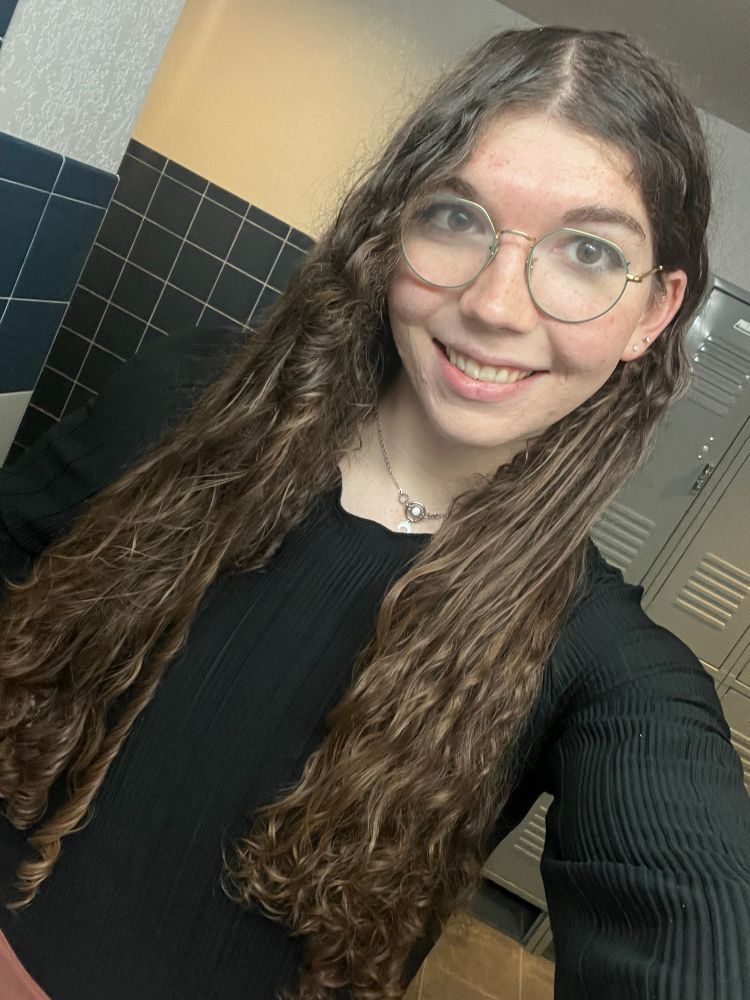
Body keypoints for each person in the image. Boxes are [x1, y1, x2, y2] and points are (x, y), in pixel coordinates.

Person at [0, 24, 748, 1000]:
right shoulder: (182, 395)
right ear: (392, 230)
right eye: (455, 218)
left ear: (654, 311)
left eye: (589, 250)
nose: (496, 305)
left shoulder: (603, 667)